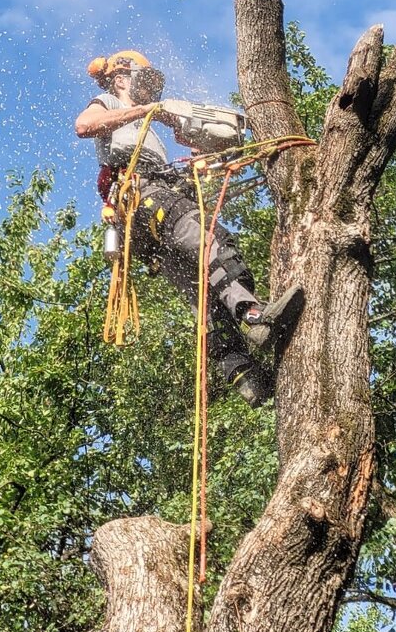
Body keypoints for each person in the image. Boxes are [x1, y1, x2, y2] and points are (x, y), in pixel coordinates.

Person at [75, 49, 303, 406]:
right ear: (121, 80)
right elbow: (84, 126)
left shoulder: (148, 130)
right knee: (214, 244)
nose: (150, 93)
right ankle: (254, 315)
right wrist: (147, 111)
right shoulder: (106, 102)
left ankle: (244, 374)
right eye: (143, 82)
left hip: (145, 222)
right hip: (144, 199)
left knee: (203, 292)